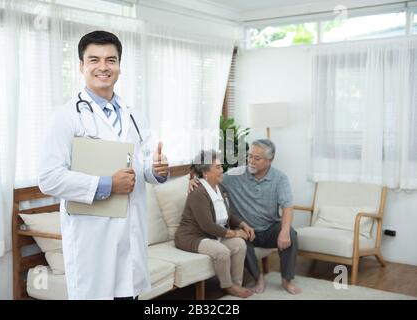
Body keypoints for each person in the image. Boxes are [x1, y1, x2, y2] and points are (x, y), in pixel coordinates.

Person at [38, 30, 169, 300]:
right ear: (81, 66)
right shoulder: (65, 117)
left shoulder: (135, 116)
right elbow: (49, 178)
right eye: (94, 59)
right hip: (92, 241)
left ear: (119, 66)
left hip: (129, 239)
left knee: (127, 295)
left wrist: (156, 171)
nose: (103, 67)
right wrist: (107, 184)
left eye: (111, 60)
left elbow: (142, 164)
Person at [189, 139, 301, 295]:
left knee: (291, 234)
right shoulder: (234, 175)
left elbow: (287, 206)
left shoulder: (280, 178)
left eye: (257, 158)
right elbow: (212, 179)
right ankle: (258, 278)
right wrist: (195, 180)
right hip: (246, 229)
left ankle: (286, 280)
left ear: (270, 160)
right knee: (241, 241)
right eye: (250, 156)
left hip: (269, 228)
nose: (251, 161)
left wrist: (285, 230)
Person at [175, 150, 256, 298]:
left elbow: (227, 215)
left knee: (239, 245)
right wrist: (235, 233)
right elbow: (207, 226)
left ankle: (236, 283)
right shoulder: (198, 192)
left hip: (211, 235)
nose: (222, 170)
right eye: (217, 167)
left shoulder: (220, 189)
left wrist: (242, 224)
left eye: (221, 167)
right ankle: (228, 286)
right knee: (222, 251)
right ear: (206, 172)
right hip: (192, 237)